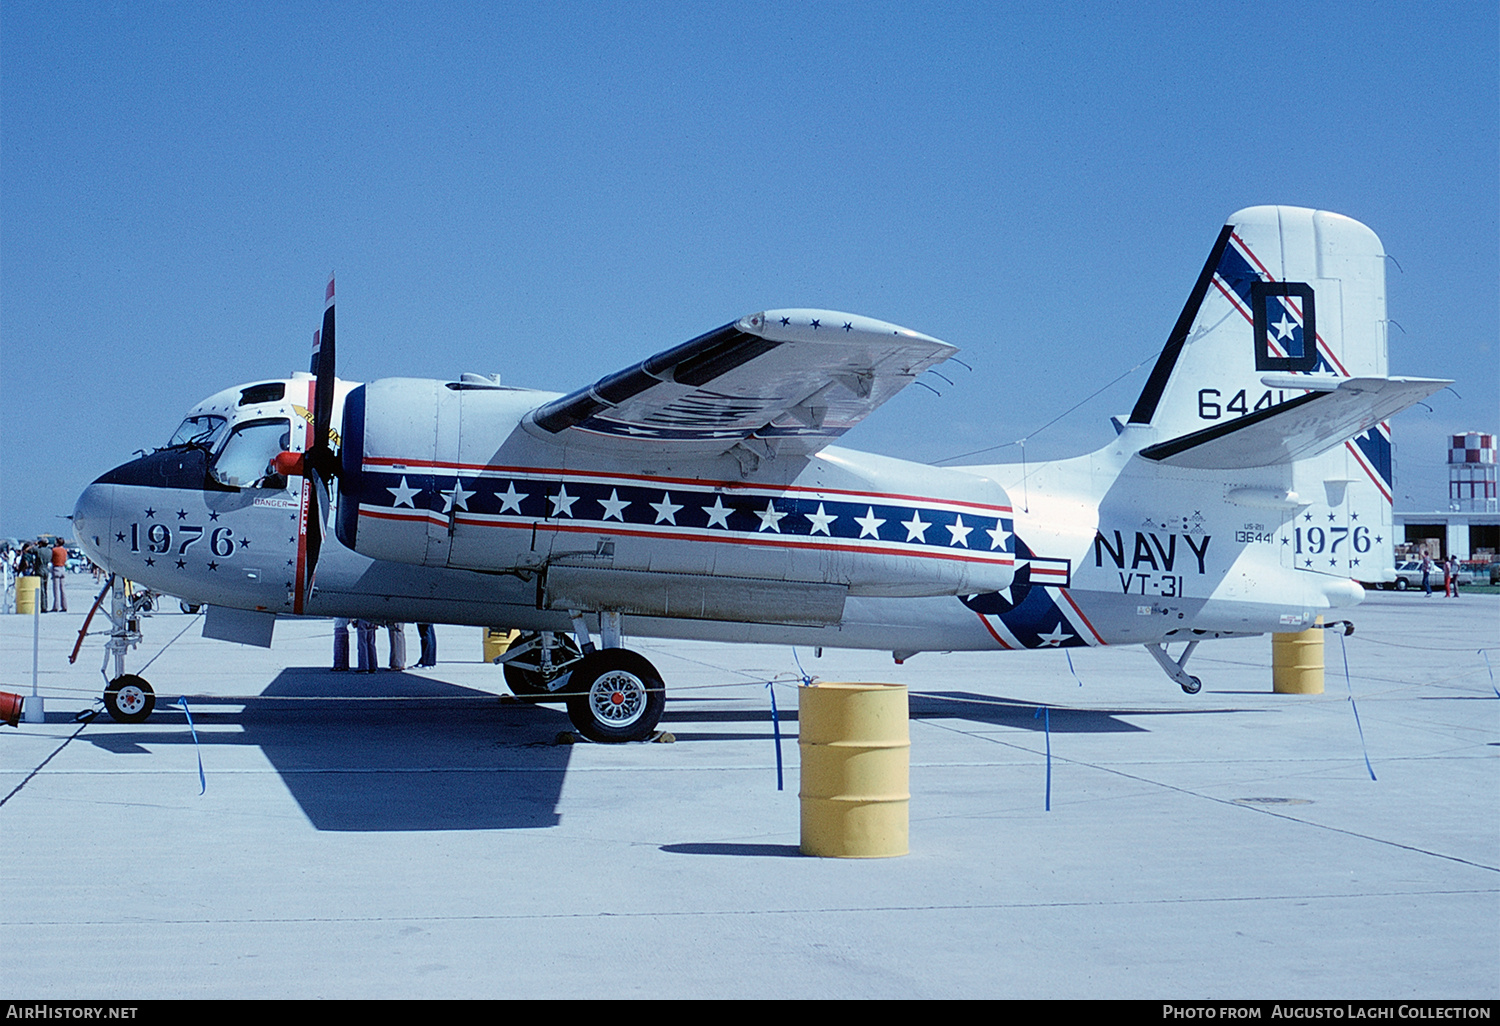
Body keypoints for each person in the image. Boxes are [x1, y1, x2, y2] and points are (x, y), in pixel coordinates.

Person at [51, 540, 69, 613]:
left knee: (56, 589)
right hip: (63, 568)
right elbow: (65, 559)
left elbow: (52, 559)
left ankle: (56, 606)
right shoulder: (64, 550)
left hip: (56, 568)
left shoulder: (54, 550)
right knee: (63, 589)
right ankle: (64, 606)